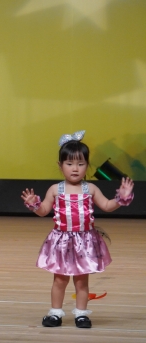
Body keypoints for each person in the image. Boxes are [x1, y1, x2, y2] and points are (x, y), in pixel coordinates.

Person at [21, 131, 134, 328]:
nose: (75, 169)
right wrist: (34, 205)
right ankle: (55, 313)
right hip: (62, 242)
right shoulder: (55, 190)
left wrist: (121, 199)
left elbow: (107, 206)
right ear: (60, 165)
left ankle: (81, 314)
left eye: (81, 164)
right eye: (69, 164)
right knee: (60, 280)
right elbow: (43, 211)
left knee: (81, 282)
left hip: (85, 242)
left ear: (87, 166)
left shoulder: (91, 189)